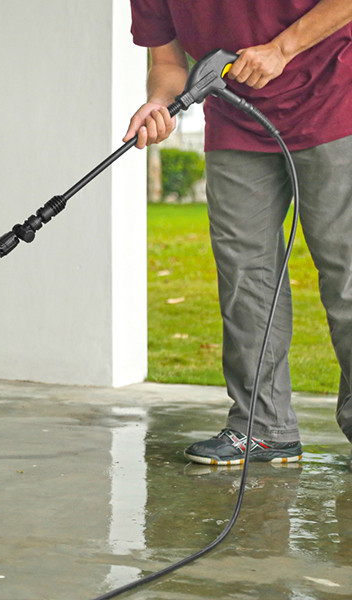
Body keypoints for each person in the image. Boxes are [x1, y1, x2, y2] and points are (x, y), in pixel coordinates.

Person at [124, 0, 352, 465]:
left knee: (346, 273)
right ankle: (262, 427)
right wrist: (157, 102)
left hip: (337, 104)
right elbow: (168, 64)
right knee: (245, 277)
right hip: (236, 120)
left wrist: (281, 49)